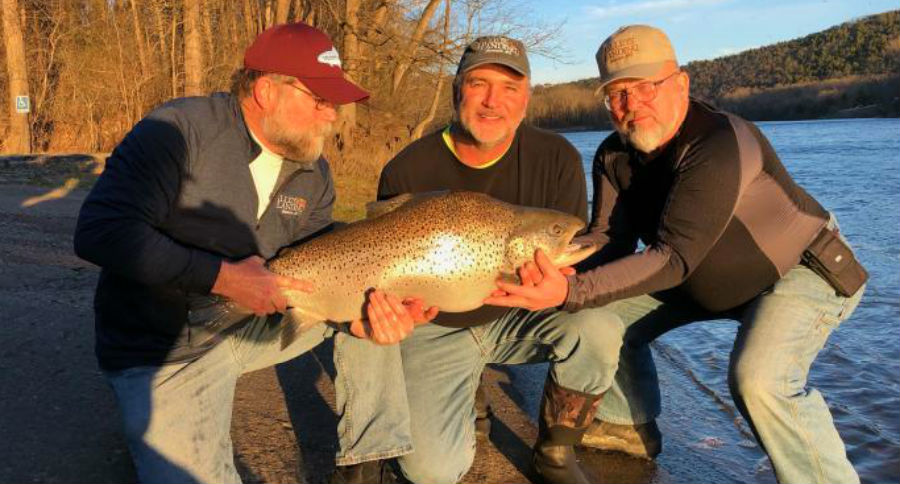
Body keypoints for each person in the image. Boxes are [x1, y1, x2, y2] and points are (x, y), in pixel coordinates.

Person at [486, 25, 868, 484]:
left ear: (681, 84)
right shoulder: (613, 154)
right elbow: (610, 239)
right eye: (618, 95)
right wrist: (546, 268)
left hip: (800, 270)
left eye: (646, 87)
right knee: (599, 315)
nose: (632, 105)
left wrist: (568, 289)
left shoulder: (720, 142)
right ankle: (627, 427)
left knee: (760, 381)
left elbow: (672, 258)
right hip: (700, 277)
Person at [74, 23, 433, 484]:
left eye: (335, 104)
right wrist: (223, 278)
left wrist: (359, 319)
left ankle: (366, 464)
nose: (332, 116)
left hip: (254, 325)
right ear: (266, 90)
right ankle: (151, 420)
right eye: (320, 100)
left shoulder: (314, 174)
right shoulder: (178, 132)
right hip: (165, 350)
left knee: (375, 293)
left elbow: (322, 263)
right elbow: (99, 231)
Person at [377, 36, 624, 484]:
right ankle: (466, 392)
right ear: (457, 91)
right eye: (479, 84)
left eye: (510, 88)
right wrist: (402, 310)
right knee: (431, 473)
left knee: (600, 327)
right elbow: (383, 268)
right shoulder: (406, 170)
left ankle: (556, 450)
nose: (494, 101)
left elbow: (570, 266)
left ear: (526, 99)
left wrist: (559, 287)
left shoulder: (557, 158)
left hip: (520, 314)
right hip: (436, 326)